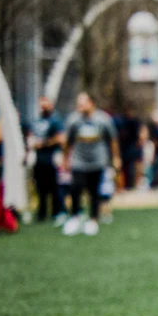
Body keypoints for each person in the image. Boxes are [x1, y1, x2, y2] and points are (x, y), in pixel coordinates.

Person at [62, 93, 119, 236]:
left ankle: (93, 220)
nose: (80, 106)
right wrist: (65, 159)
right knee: (76, 188)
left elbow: (112, 139)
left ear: (91, 103)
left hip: (97, 161)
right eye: (78, 103)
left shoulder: (103, 119)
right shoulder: (74, 120)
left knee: (94, 191)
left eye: (83, 103)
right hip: (78, 161)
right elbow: (67, 141)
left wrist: (116, 157)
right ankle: (75, 217)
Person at [29, 96, 66, 224]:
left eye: (46, 104)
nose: (44, 107)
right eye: (42, 104)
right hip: (39, 160)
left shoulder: (56, 120)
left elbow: (61, 138)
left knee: (54, 187)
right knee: (40, 187)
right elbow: (31, 136)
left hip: (52, 159)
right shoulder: (36, 121)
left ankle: (57, 212)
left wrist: (45, 144)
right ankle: (41, 212)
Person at [116, 105, 142, 190]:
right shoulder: (122, 121)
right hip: (124, 148)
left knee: (132, 167)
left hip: (131, 147)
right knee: (123, 167)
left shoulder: (134, 122)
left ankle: (131, 184)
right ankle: (123, 184)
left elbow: (137, 135)